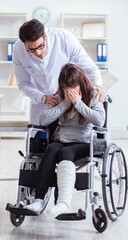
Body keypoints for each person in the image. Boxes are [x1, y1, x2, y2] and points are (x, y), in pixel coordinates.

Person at [25, 63, 105, 217]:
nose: (69, 91)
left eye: (72, 87)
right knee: (51, 148)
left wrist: (78, 104)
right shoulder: (60, 97)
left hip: (83, 142)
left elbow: (100, 120)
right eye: (65, 88)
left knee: (65, 151)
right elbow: (43, 120)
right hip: (61, 141)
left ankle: (64, 202)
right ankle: (38, 200)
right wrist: (65, 104)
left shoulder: (93, 96)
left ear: (80, 84)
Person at [13, 18, 105, 125]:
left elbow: (89, 67)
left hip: (68, 97)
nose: (37, 52)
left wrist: (97, 85)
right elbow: (23, 83)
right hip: (41, 102)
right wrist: (42, 98)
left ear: (45, 36)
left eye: (40, 46)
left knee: (68, 132)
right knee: (38, 137)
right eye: (31, 49)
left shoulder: (64, 38)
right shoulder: (18, 49)